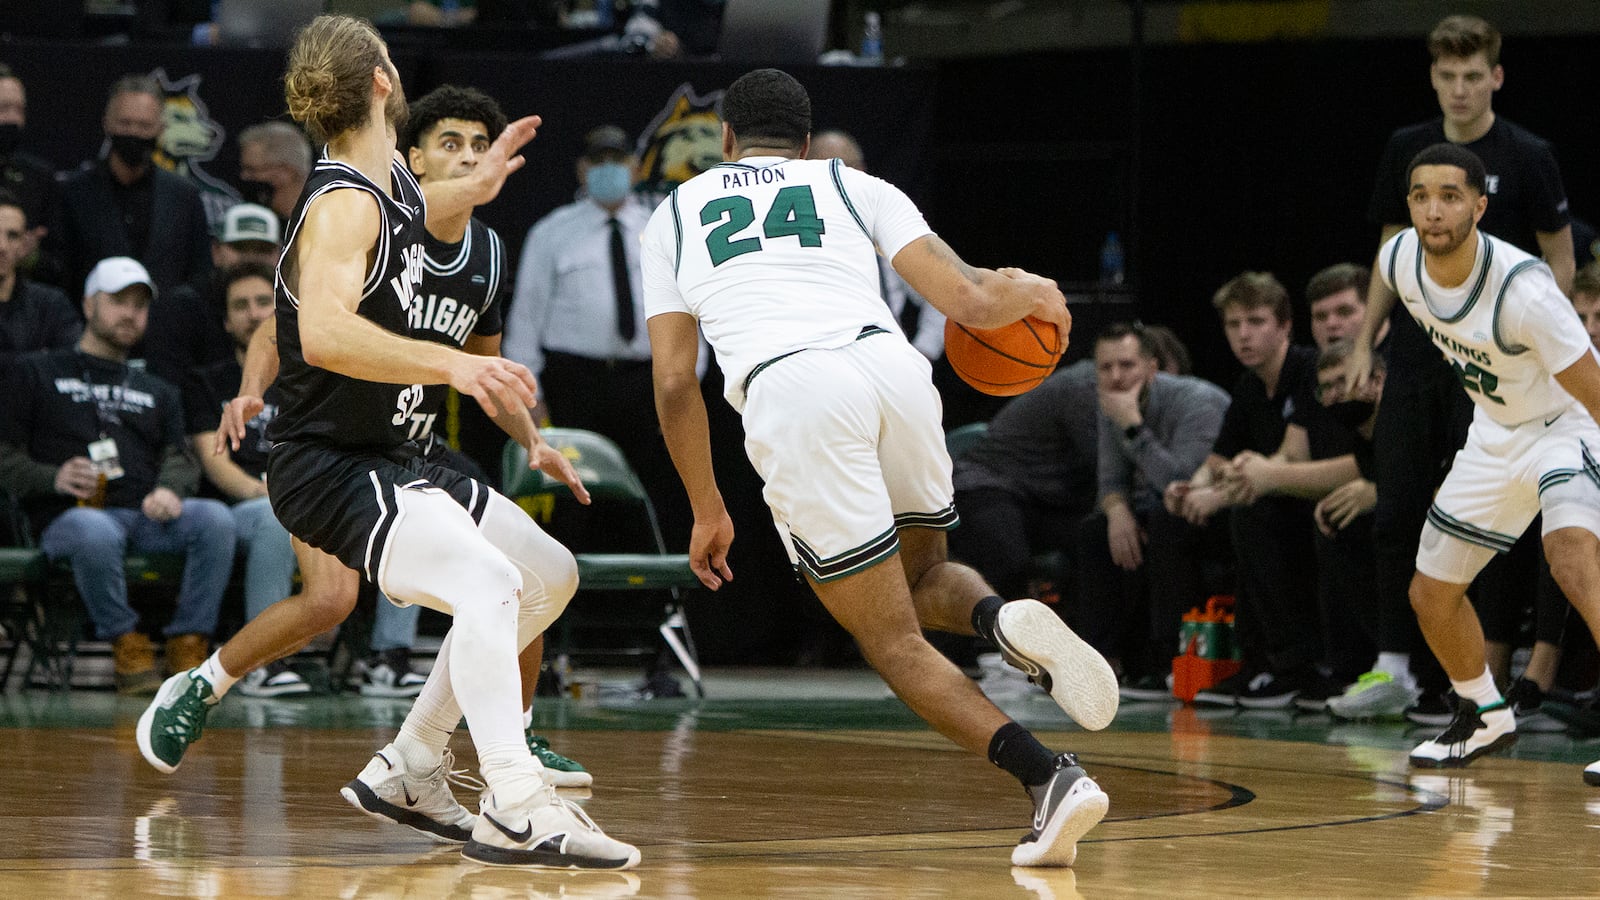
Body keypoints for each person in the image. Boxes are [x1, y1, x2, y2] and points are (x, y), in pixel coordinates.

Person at [135, 16, 635, 869]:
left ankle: (410, 764)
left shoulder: (394, 185)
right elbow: (322, 332)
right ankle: (516, 800)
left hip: (403, 457)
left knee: (549, 576)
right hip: (329, 462)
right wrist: (456, 369)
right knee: (477, 582)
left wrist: (473, 187)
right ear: (381, 79)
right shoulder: (340, 202)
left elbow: (430, 209)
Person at [642, 68, 1117, 868]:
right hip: (892, 372)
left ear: (725, 141)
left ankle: (1050, 779)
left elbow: (672, 380)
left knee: (888, 638)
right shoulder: (854, 183)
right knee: (927, 577)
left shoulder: (675, 213)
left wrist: (706, 504)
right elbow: (969, 300)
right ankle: (1001, 620)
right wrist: (1036, 290)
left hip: (794, 389)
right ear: (804, 139)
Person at [1342, 145, 1600, 784]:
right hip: (1495, 430)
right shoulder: (1399, 260)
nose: (1434, 211)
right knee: (1430, 593)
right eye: (1421, 196)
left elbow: (1593, 389)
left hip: (1568, 422)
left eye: (1450, 196)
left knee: (1571, 558)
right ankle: (1485, 713)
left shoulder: (1525, 292)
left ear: (1480, 206)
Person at [1348, 14, 1575, 724]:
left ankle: (1492, 672)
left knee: (1529, 535)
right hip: (1430, 355)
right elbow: (1388, 249)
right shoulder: (1406, 156)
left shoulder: (1529, 160)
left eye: (1473, 75)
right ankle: (1418, 678)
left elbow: (1560, 254)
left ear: (1495, 78)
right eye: (1447, 76)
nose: (1460, 89)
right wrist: (1364, 340)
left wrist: (1548, 340)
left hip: (1512, 370)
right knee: (1404, 514)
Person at [0, 256, 234, 694]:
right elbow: (4, 456)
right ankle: (127, 644)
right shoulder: (36, 372)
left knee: (214, 520)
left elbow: (180, 456)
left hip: (145, 515)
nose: (130, 313)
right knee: (94, 530)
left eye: (139, 305)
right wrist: (52, 477)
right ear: (88, 305)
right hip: (67, 517)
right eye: (118, 302)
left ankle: (189, 642)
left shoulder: (158, 389)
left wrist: (169, 488)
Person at [503, 124, 686, 542]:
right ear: (582, 170)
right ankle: (572, 597)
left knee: (651, 494)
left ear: (636, 168)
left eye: (617, 161)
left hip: (648, 384)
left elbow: (686, 309)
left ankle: (654, 602)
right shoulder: (552, 232)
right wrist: (530, 398)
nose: (609, 169)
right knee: (572, 494)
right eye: (599, 161)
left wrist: (684, 380)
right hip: (574, 383)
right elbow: (526, 319)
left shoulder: (661, 231)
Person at [1164, 273, 1322, 708]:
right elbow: (1217, 460)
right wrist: (1189, 487)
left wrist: (1217, 496)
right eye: (1234, 325)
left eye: (1255, 322)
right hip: (1261, 496)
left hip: (1304, 498)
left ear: (1285, 326)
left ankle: (1290, 665)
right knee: (1169, 521)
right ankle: (1181, 659)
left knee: (1252, 518)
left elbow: (1291, 459)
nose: (1244, 334)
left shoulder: (1307, 370)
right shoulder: (1249, 385)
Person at [1077, 322, 1229, 699]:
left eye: (1126, 365)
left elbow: (1180, 483)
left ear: (1151, 368)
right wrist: (1116, 513)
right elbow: (1111, 482)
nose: (1115, 377)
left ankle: (1166, 659)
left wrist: (1131, 426)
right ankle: (1106, 663)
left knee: (1165, 519)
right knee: (1096, 531)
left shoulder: (1198, 401)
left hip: (1212, 506)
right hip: (1160, 506)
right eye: (1105, 367)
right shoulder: (1110, 402)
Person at [52, 75, 213, 298]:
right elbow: (62, 274)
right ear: (106, 123)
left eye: (144, 125)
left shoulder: (183, 195)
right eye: (125, 123)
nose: (134, 133)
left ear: (161, 128)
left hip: (168, 326)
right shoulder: (73, 193)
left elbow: (199, 273)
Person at [807, 129, 946, 362]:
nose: (833, 181)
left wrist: (924, 351)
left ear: (862, 171)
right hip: (816, 366)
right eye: (822, 171)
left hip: (888, 363)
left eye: (843, 170)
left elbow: (943, 293)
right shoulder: (789, 239)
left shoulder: (888, 223)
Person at [0, 189, 79, 367]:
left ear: (24, 244)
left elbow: (69, 369)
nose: (2, 246)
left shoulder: (52, 305)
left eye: (13, 236)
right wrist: (38, 362)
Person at [0, 63, 58, 282]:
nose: (13, 119)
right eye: (4, 109)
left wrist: (31, 257)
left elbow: (59, 264)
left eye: (19, 110)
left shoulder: (39, 177)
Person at [237, 121, 313, 225]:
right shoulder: (254, 227)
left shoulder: (323, 222)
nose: (244, 176)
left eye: (252, 170)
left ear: (286, 172)